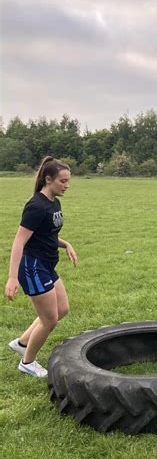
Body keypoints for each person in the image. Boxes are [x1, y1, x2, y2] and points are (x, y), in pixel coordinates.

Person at [4, 157, 78, 377]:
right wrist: (12, 277)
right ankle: (27, 362)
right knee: (49, 319)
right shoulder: (36, 206)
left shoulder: (54, 202)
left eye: (68, 181)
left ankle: (22, 342)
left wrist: (66, 244)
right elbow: (19, 241)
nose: (67, 185)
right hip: (33, 267)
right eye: (62, 181)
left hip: (46, 264)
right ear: (48, 179)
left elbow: (47, 234)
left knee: (62, 308)